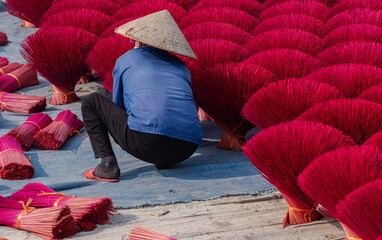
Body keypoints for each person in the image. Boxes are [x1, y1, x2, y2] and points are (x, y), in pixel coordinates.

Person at [82, 10, 202, 182]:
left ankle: (107, 165)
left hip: (147, 144)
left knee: (92, 101)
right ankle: (164, 162)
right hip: (187, 148)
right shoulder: (181, 66)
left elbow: (120, 106)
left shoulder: (127, 59)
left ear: (139, 40)